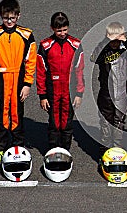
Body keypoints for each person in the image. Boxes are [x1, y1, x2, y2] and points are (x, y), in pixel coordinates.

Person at [0, 0, 37, 169]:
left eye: (12, 18)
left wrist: (27, 83)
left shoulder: (26, 34)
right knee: (1, 113)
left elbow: (31, 61)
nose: (9, 21)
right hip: (1, 79)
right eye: (6, 18)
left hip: (19, 78)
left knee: (17, 112)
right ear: (1, 16)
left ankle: (18, 146)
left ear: (18, 16)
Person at [90, 22, 127, 157]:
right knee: (105, 123)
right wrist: (105, 41)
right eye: (112, 41)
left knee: (119, 123)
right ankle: (104, 154)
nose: (114, 44)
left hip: (121, 94)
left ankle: (117, 150)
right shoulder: (104, 49)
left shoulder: (125, 49)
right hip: (105, 94)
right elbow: (94, 58)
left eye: (117, 41)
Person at [36, 12, 84, 151]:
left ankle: (65, 151)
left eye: (65, 30)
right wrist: (42, 96)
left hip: (70, 90)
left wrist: (79, 94)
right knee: (54, 122)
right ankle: (53, 150)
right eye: (59, 30)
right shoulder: (45, 45)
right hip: (53, 90)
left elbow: (80, 70)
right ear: (52, 28)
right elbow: (41, 72)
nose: (62, 33)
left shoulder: (75, 44)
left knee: (67, 123)